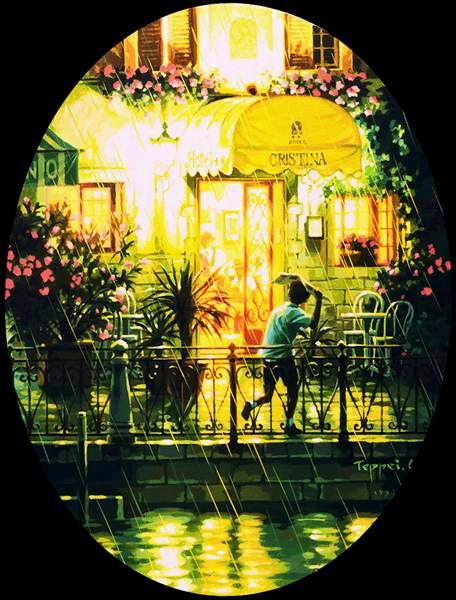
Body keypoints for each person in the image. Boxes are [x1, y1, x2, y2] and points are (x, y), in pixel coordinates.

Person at [241, 276, 323, 435]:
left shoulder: (279, 310)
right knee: (293, 390)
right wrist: (318, 300)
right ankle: (290, 424)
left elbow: (285, 327)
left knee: (268, 394)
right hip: (283, 357)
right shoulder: (295, 312)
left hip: (268, 356)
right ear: (305, 298)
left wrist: (296, 332)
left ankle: (251, 404)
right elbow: (313, 323)